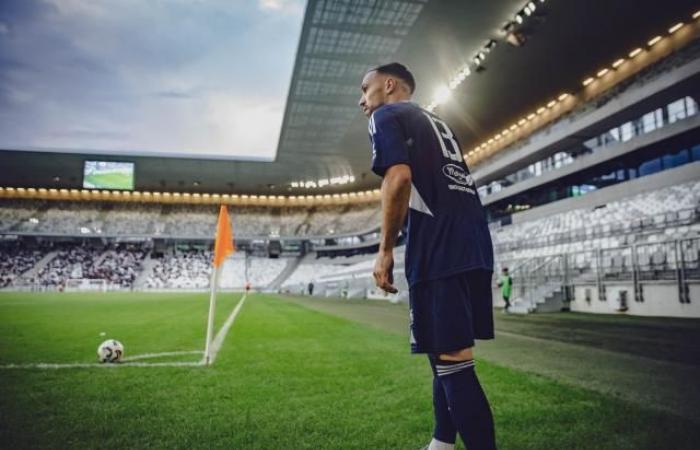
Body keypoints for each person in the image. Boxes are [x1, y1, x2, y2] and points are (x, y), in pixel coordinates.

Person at [359, 62, 496, 450]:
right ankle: (441, 442)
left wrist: (384, 250)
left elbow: (398, 177)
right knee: (443, 349)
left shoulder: (386, 114)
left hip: (439, 247)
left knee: (453, 358)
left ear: (387, 85)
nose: (361, 100)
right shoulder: (438, 122)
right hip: (473, 242)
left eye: (364, 89)